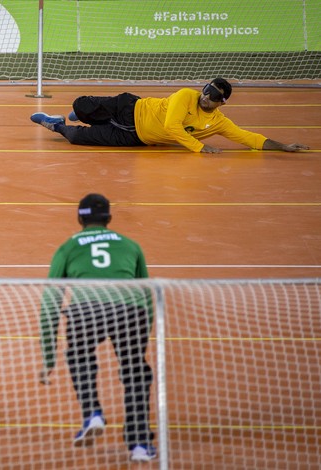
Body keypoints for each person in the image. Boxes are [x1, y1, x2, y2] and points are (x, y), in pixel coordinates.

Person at [38, 193, 156, 462]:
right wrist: (142, 335)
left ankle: (92, 413)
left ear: (79, 218)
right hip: (129, 311)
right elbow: (145, 293)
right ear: (109, 219)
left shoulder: (68, 247)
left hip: (85, 311)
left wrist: (48, 356)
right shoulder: (130, 245)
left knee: (79, 357)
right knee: (135, 372)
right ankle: (139, 443)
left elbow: (51, 300)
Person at [31, 78, 309, 154]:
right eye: (206, 89)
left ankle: (56, 125)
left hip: (136, 138)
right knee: (81, 105)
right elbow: (171, 126)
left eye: (212, 96)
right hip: (130, 109)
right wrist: (200, 147)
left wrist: (283, 146)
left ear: (220, 103)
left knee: (78, 138)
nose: (205, 96)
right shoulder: (185, 95)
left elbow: (248, 137)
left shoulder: (218, 122)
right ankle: (76, 113)